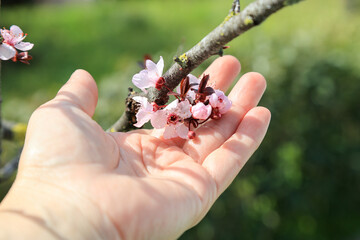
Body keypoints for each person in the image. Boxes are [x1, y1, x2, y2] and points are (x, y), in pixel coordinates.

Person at [0, 56, 270, 240]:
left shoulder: (183, 111)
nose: (172, 118)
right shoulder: (169, 111)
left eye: (175, 117)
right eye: (172, 117)